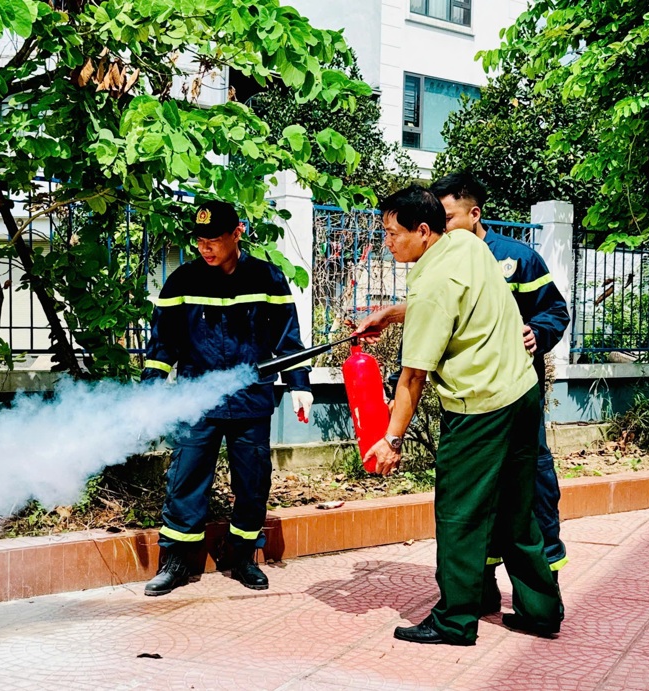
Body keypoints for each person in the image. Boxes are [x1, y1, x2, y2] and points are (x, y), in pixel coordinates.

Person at [361, 185, 563, 646]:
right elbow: (457, 301)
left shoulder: (432, 284)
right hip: (522, 392)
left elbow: (412, 379)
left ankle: (454, 621)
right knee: (517, 508)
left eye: (393, 234)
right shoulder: (468, 245)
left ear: (424, 231)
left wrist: (391, 440)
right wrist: (392, 314)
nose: (387, 243)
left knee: (459, 515)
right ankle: (540, 610)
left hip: (481, 410)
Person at [141, 200, 314, 596]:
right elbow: (162, 344)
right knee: (186, 479)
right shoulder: (182, 281)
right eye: (200, 240)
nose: (205, 247)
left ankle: (241, 557)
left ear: (237, 233)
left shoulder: (267, 278)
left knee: (253, 482)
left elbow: (288, 340)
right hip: (196, 401)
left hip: (251, 400)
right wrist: (150, 393)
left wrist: (300, 384)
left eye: (214, 239)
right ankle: (177, 562)